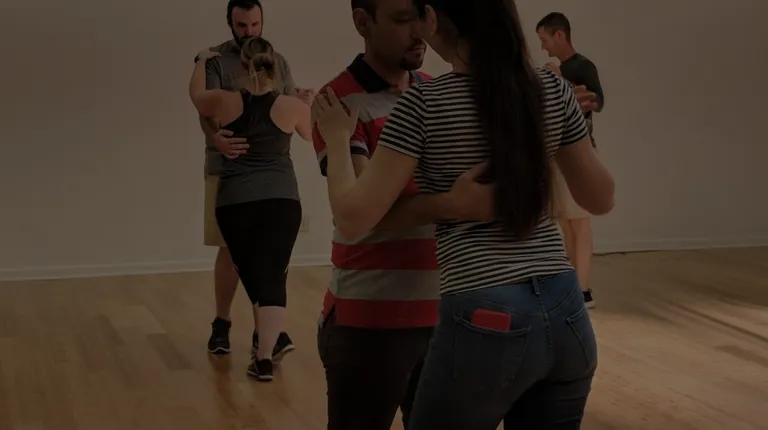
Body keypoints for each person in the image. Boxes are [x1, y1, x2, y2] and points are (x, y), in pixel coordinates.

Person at [312, 0, 614, 427]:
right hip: (566, 308)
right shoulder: (552, 89)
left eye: (417, 16)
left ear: (433, 19)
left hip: (486, 311)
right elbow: (601, 198)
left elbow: (352, 216)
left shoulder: (424, 102)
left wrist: (337, 137)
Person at [190, 36, 312, 381]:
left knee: (255, 274)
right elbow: (310, 135)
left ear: (243, 67)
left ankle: (267, 345)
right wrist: (305, 104)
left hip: (236, 201)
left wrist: (200, 61)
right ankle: (265, 356)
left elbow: (197, 96)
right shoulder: (291, 106)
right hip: (282, 201)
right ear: (275, 67)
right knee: (273, 275)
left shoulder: (225, 101)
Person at [537, 12, 605, 308]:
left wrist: (560, 80)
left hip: (578, 154)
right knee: (567, 223)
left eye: (544, 39)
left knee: (580, 223)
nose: (543, 46)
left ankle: (583, 290)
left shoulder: (582, 66)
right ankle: (574, 287)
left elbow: (596, 102)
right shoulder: (558, 70)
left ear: (559, 35)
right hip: (560, 155)